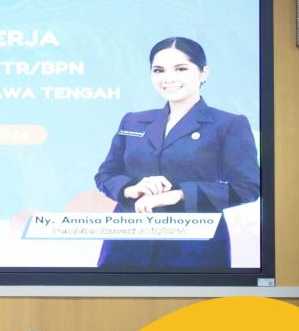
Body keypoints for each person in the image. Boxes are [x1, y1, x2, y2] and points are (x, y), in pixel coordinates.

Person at [94, 37, 259, 269]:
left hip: (193, 250)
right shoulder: (133, 121)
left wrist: (178, 194)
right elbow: (106, 175)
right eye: (159, 70)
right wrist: (131, 189)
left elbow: (247, 188)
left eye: (181, 69)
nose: (168, 78)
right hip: (127, 245)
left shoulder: (228, 124)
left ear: (203, 73)